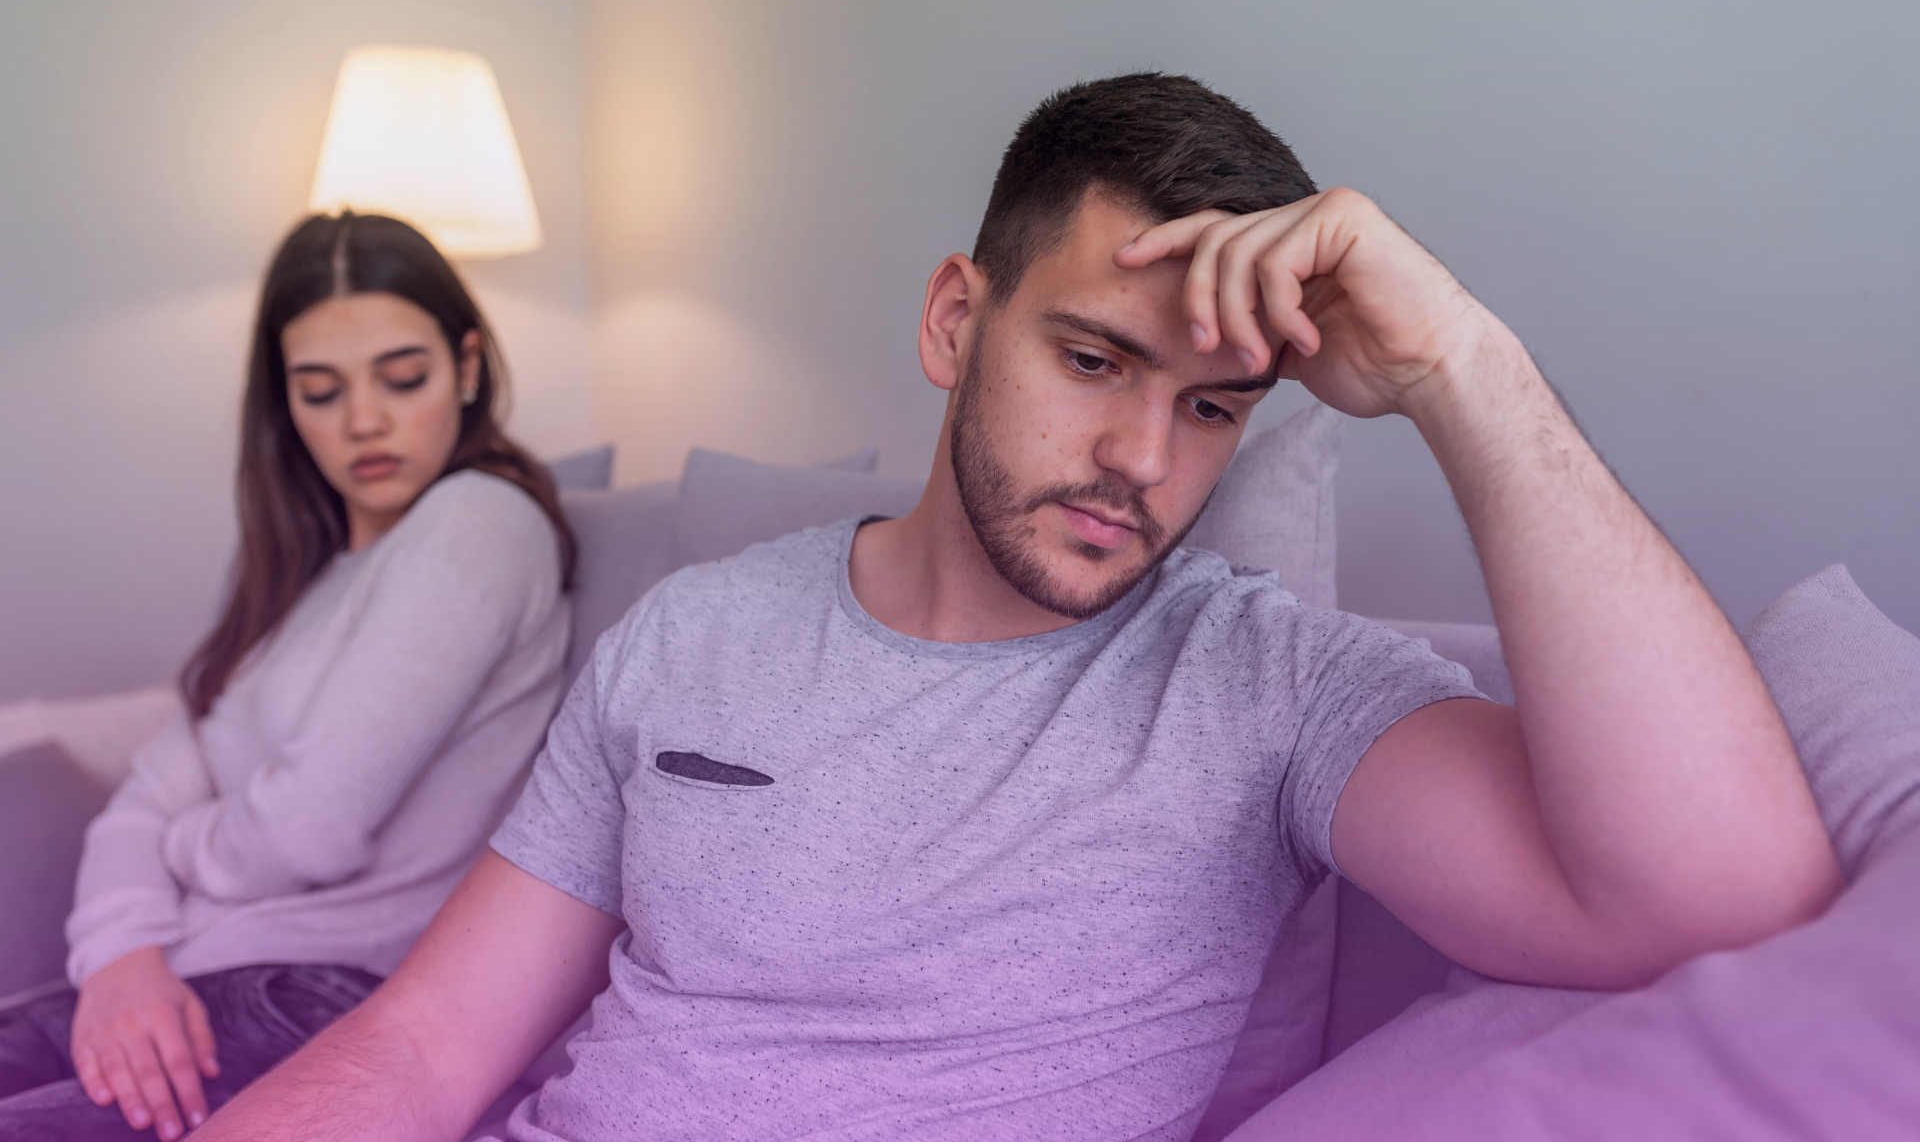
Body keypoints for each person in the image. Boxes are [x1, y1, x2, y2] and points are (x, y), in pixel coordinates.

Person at [198, 74, 1839, 1142]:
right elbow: (422, 1052)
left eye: (1211, 408)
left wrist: (1459, 367)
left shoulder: (1264, 685)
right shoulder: (692, 636)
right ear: (953, 321)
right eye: (1094, 360)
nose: (1139, 457)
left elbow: (1724, 900)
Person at [0, 213, 576, 1142]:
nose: (364, 420)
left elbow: (308, 828)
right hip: (188, 971)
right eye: (319, 390)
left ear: (468, 365)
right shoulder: (291, 574)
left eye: (404, 377)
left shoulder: (479, 524)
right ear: (284, 402)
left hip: (322, 995)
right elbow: (143, 797)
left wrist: (177, 853)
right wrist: (120, 957)